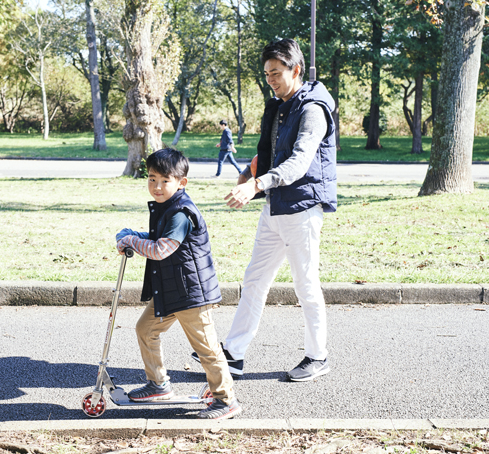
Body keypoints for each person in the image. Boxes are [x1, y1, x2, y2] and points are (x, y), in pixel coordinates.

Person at [193, 38, 337, 382]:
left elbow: (300, 162)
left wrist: (256, 185)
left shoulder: (313, 109)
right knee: (254, 280)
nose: (270, 79)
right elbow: (272, 152)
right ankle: (234, 354)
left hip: (301, 207)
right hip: (275, 207)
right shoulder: (280, 105)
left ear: (296, 69)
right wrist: (248, 173)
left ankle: (318, 356)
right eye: (267, 74)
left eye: (276, 72)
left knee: (306, 284)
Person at [116, 148, 242, 420]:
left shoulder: (181, 212)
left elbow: (161, 249)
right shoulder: (168, 207)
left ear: (181, 182)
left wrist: (130, 242)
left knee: (206, 347)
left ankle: (226, 400)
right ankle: (158, 384)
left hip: (191, 292)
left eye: (164, 180)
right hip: (172, 289)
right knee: (146, 329)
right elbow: (155, 237)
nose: (157, 186)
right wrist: (130, 234)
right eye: (151, 179)